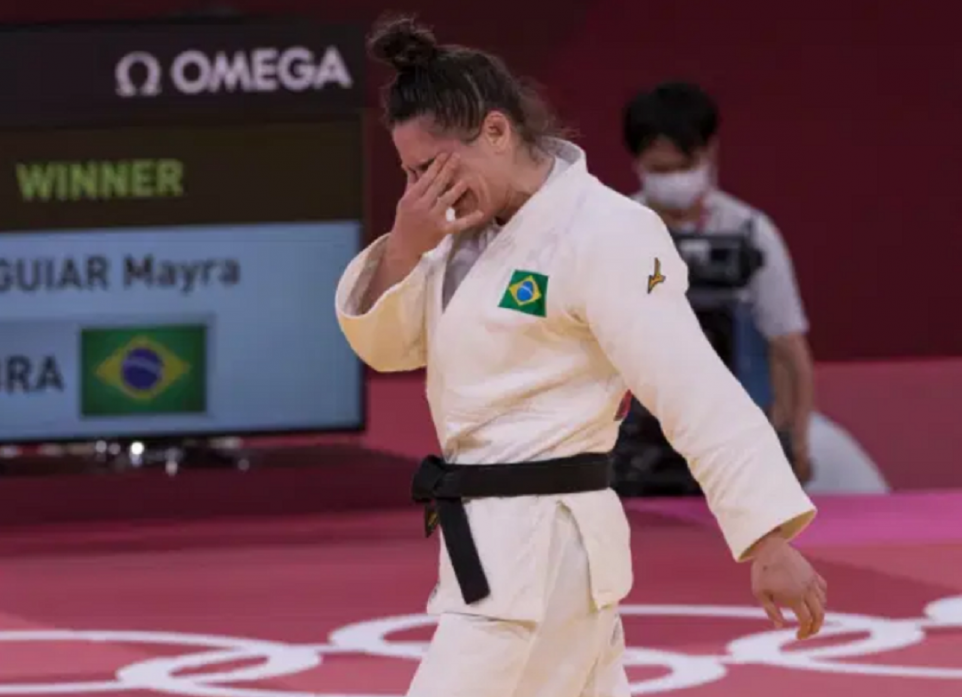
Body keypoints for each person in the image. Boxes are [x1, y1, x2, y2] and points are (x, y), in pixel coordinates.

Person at [335, 16, 828, 697]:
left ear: (499, 131)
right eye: (411, 173)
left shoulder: (606, 232)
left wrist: (768, 537)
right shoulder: (456, 234)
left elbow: (689, 383)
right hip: (502, 545)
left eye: (435, 167)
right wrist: (403, 245)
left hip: (541, 548)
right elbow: (384, 346)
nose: (425, 191)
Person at [622, 81, 817, 483]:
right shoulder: (616, 230)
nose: (674, 179)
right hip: (633, 445)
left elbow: (788, 345)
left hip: (734, 439)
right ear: (637, 162)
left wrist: (793, 439)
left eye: (683, 167)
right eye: (661, 170)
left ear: (710, 152)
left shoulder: (750, 232)